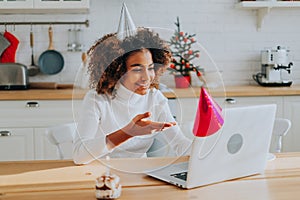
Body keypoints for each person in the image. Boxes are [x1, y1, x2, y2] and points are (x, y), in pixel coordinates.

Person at [73, 28, 191, 165]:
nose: (147, 77)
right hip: (101, 176)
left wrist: (205, 149)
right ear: (118, 70)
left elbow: (179, 144)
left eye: (151, 68)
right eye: (137, 69)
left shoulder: (155, 98)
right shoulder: (97, 100)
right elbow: (79, 155)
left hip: (141, 173)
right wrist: (128, 132)